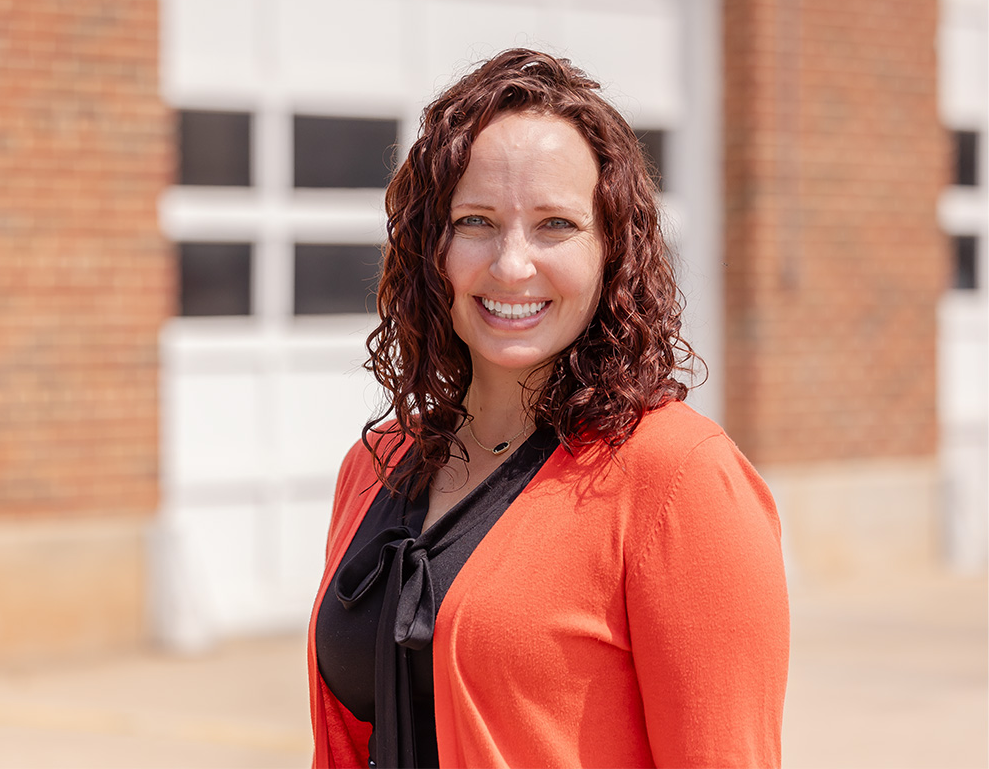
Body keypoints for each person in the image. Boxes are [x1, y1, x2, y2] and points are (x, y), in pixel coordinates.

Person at [308, 48, 789, 769]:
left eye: (556, 225)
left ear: (611, 251)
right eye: (474, 220)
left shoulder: (678, 480)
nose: (510, 265)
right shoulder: (376, 467)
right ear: (429, 247)